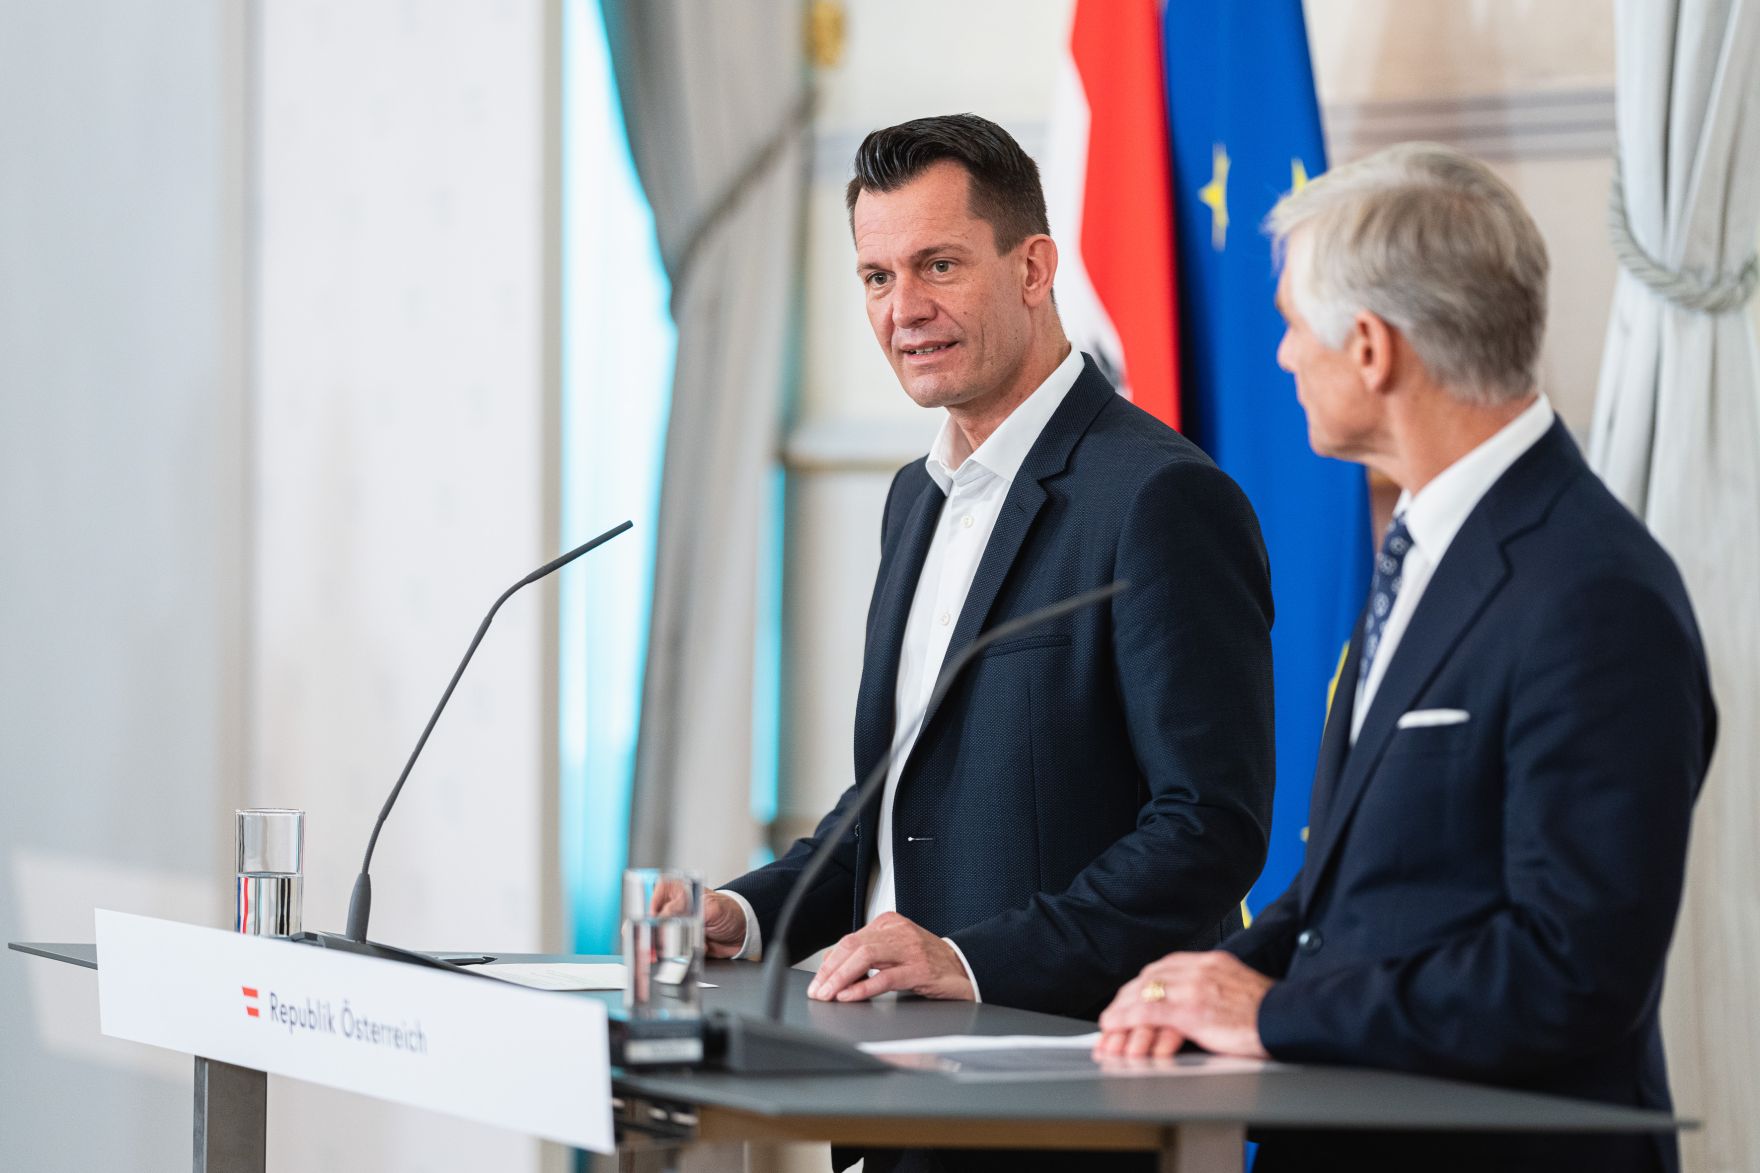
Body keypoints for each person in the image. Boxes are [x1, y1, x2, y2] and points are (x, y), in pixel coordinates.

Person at [1094, 142, 1716, 1173]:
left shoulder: (1593, 593)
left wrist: (1280, 1013)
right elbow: (1342, 897)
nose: (1283, 355)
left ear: (1372, 348)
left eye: (1294, 324)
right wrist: (1187, 990)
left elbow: (1574, 967)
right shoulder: (1423, 547)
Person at [705, 114, 1276, 1170]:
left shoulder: (1158, 499)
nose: (903, 309)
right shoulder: (910, 502)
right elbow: (891, 801)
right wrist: (741, 913)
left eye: (936, 266)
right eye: (875, 277)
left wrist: (967, 962)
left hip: (1056, 1111)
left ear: (1033, 267)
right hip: (884, 1097)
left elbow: (1207, 829)